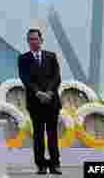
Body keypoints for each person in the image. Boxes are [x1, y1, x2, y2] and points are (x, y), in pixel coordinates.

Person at [18, 28, 62, 174]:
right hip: (35, 102)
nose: (32, 42)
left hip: (52, 101)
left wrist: (49, 92)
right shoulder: (23, 58)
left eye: (35, 39)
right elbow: (25, 78)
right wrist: (38, 92)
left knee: (52, 134)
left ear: (41, 40)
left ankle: (55, 164)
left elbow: (56, 77)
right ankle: (41, 165)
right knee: (38, 134)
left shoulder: (51, 56)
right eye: (30, 39)